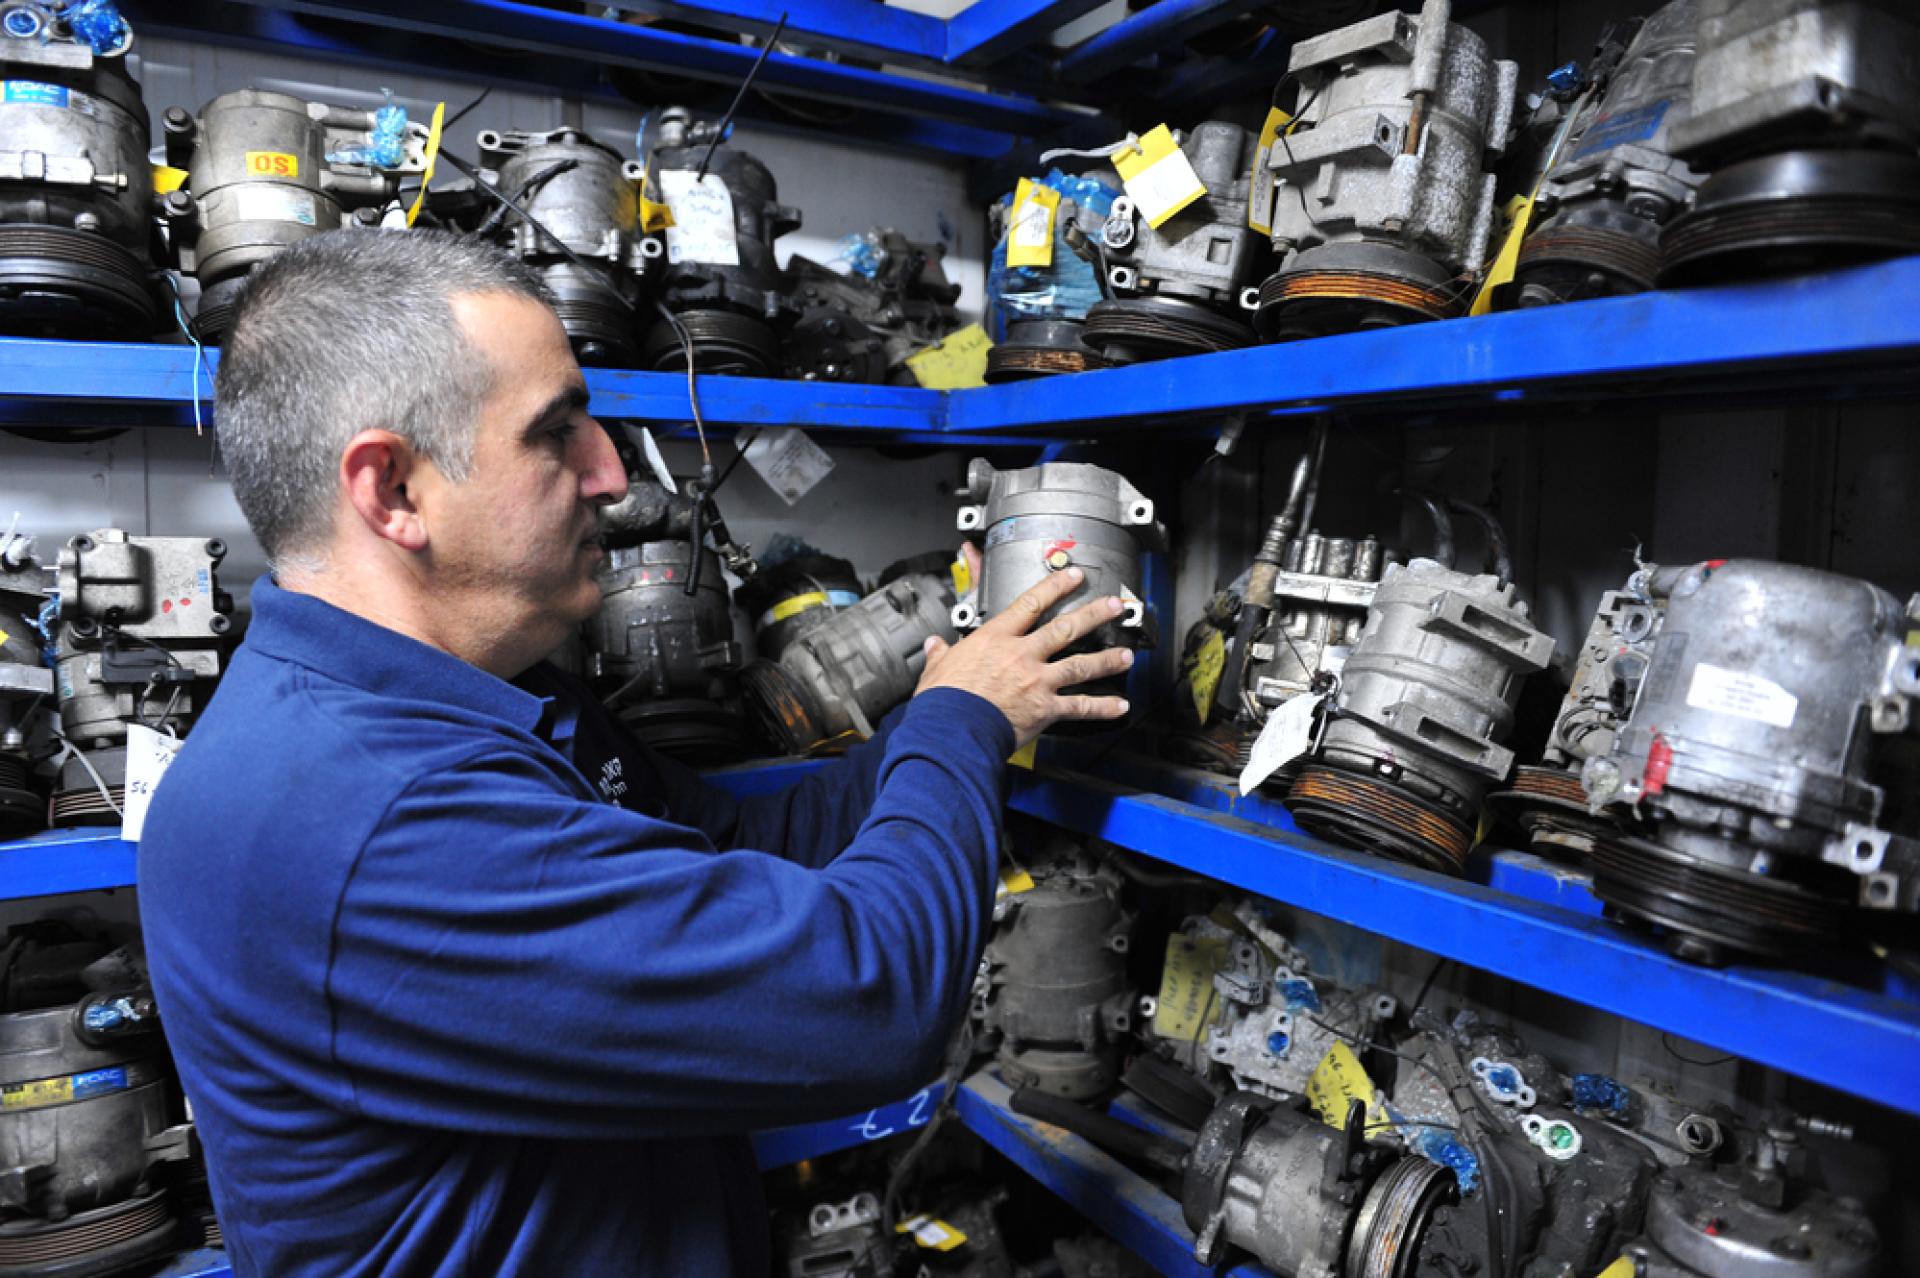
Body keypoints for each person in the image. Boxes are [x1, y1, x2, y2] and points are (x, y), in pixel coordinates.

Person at [138, 229, 1136, 1278]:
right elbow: (870, 998)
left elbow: (743, 838)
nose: (612, 473)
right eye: (556, 433)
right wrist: (959, 727)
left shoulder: (491, 700)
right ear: (392, 492)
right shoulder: (369, 811)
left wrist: (936, 711)